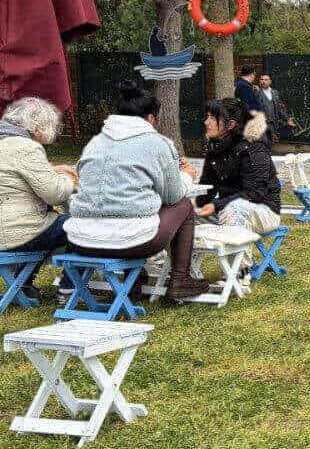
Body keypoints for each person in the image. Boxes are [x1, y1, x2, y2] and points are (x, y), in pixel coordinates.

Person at [66, 84, 209, 301]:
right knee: (183, 205)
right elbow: (173, 195)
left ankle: (133, 283)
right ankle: (180, 279)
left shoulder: (95, 143)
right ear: (151, 118)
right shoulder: (158, 144)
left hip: (84, 240)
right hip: (131, 242)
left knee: (125, 209)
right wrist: (187, 175)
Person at [0, 97, 78, 292]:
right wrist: (69, 179)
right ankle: (69, 287)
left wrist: (51, 171)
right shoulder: (25, 147)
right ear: (38, 125)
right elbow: (55, 194)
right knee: (79, 226)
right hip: (12, 236)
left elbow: (10, 177)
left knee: (43, 219)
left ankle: (24, 283)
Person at [195, 99, 281, 234]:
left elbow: (255, 193)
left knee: (233, 209)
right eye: (207, 117)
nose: (206, 122)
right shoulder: (215, 148)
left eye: (212, 118)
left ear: (230, 124)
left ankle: (236, 248)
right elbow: (207, 188)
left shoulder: (255, 147)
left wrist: (217, 204)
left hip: (264, 211)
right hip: (225, 207)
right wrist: (193, 203)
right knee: (186, 213)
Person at [256, 72, 296, 149]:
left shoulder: (275, 93)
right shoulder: (256, 92)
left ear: (270, 81)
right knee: (263, 144)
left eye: (266, 79)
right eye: (261, 79)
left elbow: (279, 108)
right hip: (262, 123)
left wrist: (287, 119)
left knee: (270, 144)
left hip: (273, 123)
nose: (263, 81)